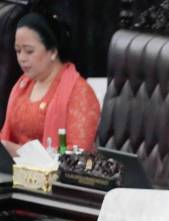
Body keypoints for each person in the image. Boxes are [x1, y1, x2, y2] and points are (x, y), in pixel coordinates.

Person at [0, 12, 100, 157]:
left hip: (54, 177)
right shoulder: (22, 85)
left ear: (52, 51)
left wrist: (17, 153)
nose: (22, 58)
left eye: (29, 51)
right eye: (18, 51)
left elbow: (76, 156)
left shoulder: (79, 93)